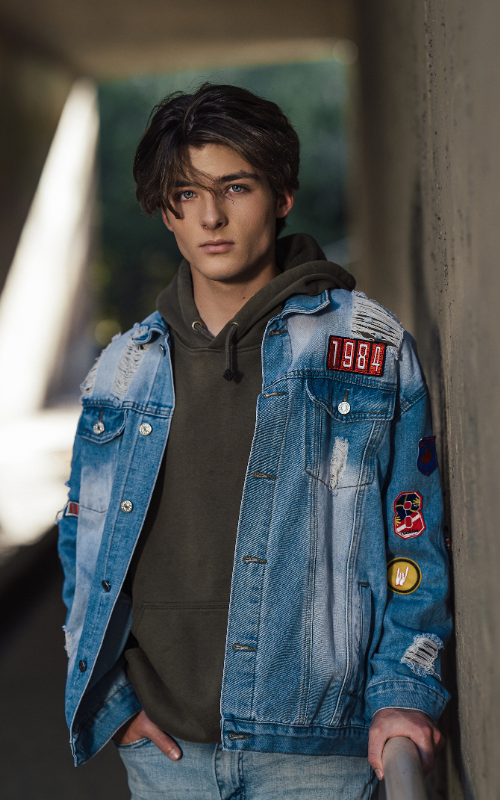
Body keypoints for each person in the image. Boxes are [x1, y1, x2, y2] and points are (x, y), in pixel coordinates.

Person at [58, 83, 451, 799]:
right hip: (166, 758)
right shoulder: (123, 371)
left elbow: (413, 549)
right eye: (185, 194)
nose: (210, 215)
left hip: (320, 755)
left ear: (282, 194)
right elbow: (82, 549)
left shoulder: (368, 351)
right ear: (166, 212)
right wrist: (114, 705)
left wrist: (405, 690)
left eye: (234, 187)